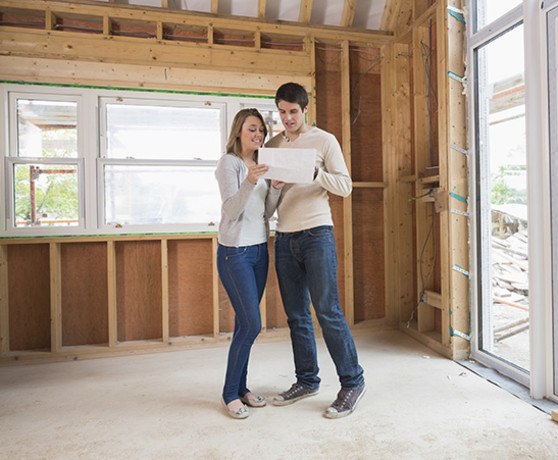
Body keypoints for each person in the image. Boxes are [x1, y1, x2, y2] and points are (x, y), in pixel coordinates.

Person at [266, 82, 366, 419]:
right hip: (284, 237)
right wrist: (275, 187)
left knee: (328, 311)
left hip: (317, 234)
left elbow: (345, 186)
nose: (287, 118)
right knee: (296, 316)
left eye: (293, 111)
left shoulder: (324, 141)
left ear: (305, 109)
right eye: (282, 112)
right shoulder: (274, 145)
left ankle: (352, 382)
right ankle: (307, 380)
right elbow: (269, 203)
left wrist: (316, 173)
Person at [215, 108, 280, 419]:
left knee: (245, 324)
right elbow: (231, 210)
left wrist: (276, 188)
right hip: (234, 252)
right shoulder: (229, 164)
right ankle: (229, 392)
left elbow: (265, 211)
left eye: (262, 131)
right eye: (252, 129)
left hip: (258, 250)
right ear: (239, 130)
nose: (258, 135)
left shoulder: (259, 165)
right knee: (253, 323)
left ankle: (241, 388)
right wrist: (250, 181)